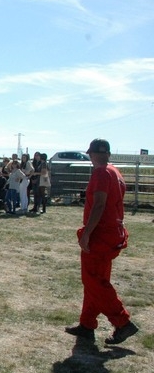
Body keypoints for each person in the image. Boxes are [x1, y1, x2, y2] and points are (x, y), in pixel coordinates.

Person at [65, 139, 139, 345]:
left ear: (92, 154)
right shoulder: (115, 172)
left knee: (93, 281)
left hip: (100, 235)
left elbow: (99, 204)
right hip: (112, 233)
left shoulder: (100, 173)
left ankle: (122, 322)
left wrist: (87, 233)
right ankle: (87, 324)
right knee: (97, 280)